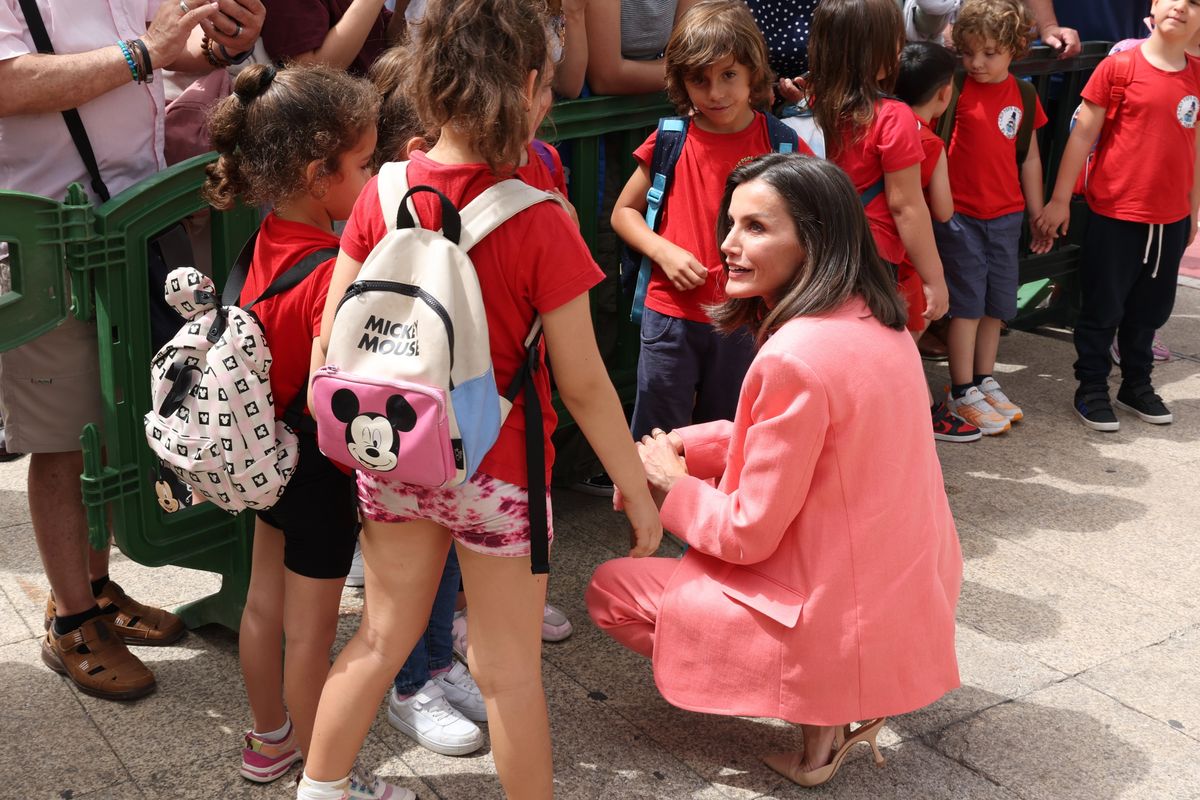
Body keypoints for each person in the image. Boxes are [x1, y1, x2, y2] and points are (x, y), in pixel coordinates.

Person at [296, 0, 662, 796]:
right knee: (508, 674)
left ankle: (318, 791)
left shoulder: (382, 190)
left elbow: (331, 338)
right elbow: (585, 383)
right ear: (532, 86)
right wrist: (636, 488)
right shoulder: (540, 220)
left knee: (379, 639)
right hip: (498, 472)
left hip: (393, 455)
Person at [587, 153, 963, 789]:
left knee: (611, 591)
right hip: (902, 586)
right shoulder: (881, 323)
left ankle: (820, 701)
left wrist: (673, 485)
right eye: (730, 225)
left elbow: (746, 533)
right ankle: (834, 713)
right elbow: (799, 440)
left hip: (830, 614)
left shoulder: (795, 354)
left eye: (756, 228)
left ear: (813, 240)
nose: (727, 246)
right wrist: (682, 446)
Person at [0, 0, 263, 702]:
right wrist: (141, 54)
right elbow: (10, 82)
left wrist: (223, 43)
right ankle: (73, 621)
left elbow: (172, 49)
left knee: (118, 422)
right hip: (50, 233)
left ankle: (93, 586)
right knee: (66, 435)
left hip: (136, 218)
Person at [199, 64, 402, 798]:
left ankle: (270, 741)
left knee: (262, 605)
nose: (377, 174)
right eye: (367, 163)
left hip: (262, 455)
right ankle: (327, 773)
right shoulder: (330, 274)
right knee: (312, 634)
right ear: (322, 174)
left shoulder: (262, 242)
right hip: (316, 469)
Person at [613, 0, 812, 445]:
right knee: (658, 438)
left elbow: (820, 221)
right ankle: (656, 518)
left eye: (728, 75)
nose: (715, 92)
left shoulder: (780, 144)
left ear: (752, 74)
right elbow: (623, 212)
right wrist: (663, 250)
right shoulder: (671, 138)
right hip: (670, 314)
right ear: (682, 82)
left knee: (726, 436)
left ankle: (709, 515)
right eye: (699, 79)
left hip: (748, 317)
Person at [1036, 0, 1200, 432]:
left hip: (1170, 218)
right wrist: (1058, 199)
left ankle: (1136, 384)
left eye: (1196, 3)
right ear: (1154, 5)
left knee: (1150, 309)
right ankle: (1090, 387)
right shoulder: (1120, 67)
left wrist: (1193, 211)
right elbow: (1082, 134)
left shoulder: (1197, 77)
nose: (1182, 7)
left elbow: (1195, 149)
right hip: (1116, 213)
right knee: (1102, 307)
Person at [806, 0, 950, 372]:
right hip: (873, 256)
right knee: (868, 356)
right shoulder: (895, 117)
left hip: (824, 246)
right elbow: (906, 205)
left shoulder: (818, 102)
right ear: (880, 54)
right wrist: (934, 279)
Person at [938, 0, 1052, 435]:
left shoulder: (1024, 94)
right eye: (968, 52)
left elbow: (1030, 159)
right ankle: (962, 388)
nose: (977, 62)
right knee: (967, 306)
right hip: (961, 216)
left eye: (989, 53)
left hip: (1006, 216)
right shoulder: (954, 88)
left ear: (1014, 49)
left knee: (996, 306)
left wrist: (1036, 210)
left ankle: (984, 379)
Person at [894, 40, 982, 443]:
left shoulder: (871, 121)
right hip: (908, 255)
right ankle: (922, 411)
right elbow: (943, 210)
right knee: (904, 341)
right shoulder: (929, 142)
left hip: (868, 248)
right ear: (946, 92)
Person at [583, 0, 700, 95]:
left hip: (665, 94)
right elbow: (606, 79)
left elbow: (685, 58)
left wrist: (687, 70)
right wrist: (686, 73)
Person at [260, 0, 402, 75]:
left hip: (378, 114)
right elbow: (310, 72)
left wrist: (404, 8)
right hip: (338, 122)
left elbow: (387, 42)